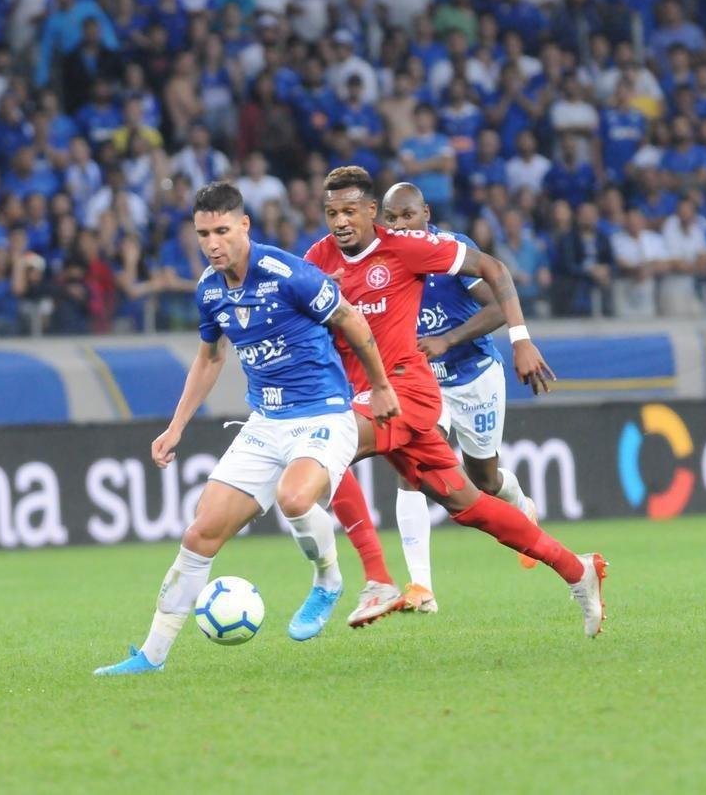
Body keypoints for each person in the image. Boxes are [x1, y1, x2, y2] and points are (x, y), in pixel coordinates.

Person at [95, 182, 399, 676]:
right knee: (199, 533)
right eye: (203, 234)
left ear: (244, 226)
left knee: (295, 499)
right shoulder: (209, 290)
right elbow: (211, 357)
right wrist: (176, 428)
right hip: (266, 422)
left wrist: (381, 388)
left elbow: (352, 320)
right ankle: (151, 657)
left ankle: (327, 580)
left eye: (221, 231)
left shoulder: (287, 274)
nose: (213, 243)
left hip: (322, 414)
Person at [305, 166, 606, 636]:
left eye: (349, 211)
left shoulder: (410, 247)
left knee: (323, 452)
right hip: (382, 394)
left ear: (370, 214)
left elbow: (495, 269)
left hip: (409, 390)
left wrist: (521, 338)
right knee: (473, 506)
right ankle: (576, 569)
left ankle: (377, 580)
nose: (340, 221)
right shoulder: (318, 259)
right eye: (331, 212)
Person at [369, 181, 541, 614]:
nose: (399, 224)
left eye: (407, 215)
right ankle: (421, 587)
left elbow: (499, 306)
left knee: (483, 480)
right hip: (425, 383)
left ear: (426, 213)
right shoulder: (383, 261)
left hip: (474, 377)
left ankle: (522, 506)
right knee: (412, 469)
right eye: (391, 218)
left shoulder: (451, 253)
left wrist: (449, 339)